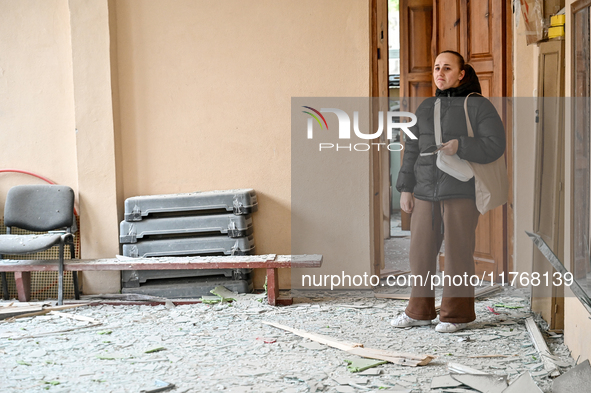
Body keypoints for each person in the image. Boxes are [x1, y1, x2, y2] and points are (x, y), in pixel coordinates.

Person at [391, 50, 506, 333]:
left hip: (461, 191)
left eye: (447, 68)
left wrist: (461, 146)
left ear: (461, 73)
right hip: (424, 191)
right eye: (436, 68)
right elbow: (412, 151)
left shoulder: (478, 106)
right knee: (419, 254)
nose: (440, 73)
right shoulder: (425, 107)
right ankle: (418, 312)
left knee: (458, 254)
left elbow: (495, 145)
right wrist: (406, 189)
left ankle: (455, 316)